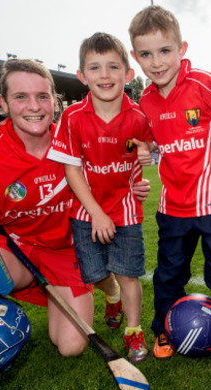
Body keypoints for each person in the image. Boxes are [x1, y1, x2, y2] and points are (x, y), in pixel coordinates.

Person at [0, 59, 150, 357]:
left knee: (70, 347)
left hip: (67, 250)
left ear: (55, 100)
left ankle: (108, 291)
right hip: (16, 249)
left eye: (42, 96)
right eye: (20, 97)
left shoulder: (79, 139)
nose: (34, 107)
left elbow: (113, 177)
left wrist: (134, 186)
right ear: (3, 102)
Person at [129, 5, 211, 366]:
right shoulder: (145, 100)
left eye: (164, 50)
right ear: (136, 58)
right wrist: (143, 150)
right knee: (168, 274)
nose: (157, 61)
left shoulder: (204, 82)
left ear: (182, 49)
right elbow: (148, 141)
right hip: (173, 209)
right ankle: (164, 330)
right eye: (146, 54)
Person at [47, 32, 152, 363]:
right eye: (95, 68)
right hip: (86, 214)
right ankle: (111, 295)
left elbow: (151, 149)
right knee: (94, 274)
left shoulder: (139, 116)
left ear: (128, 74)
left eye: (113, 67)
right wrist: (96, 213)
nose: (105, 76)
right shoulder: (73, 118)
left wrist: (148, 155)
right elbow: (72, 171)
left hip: (126, 212)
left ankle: (134, 332)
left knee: (129, 273)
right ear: (82, 76)